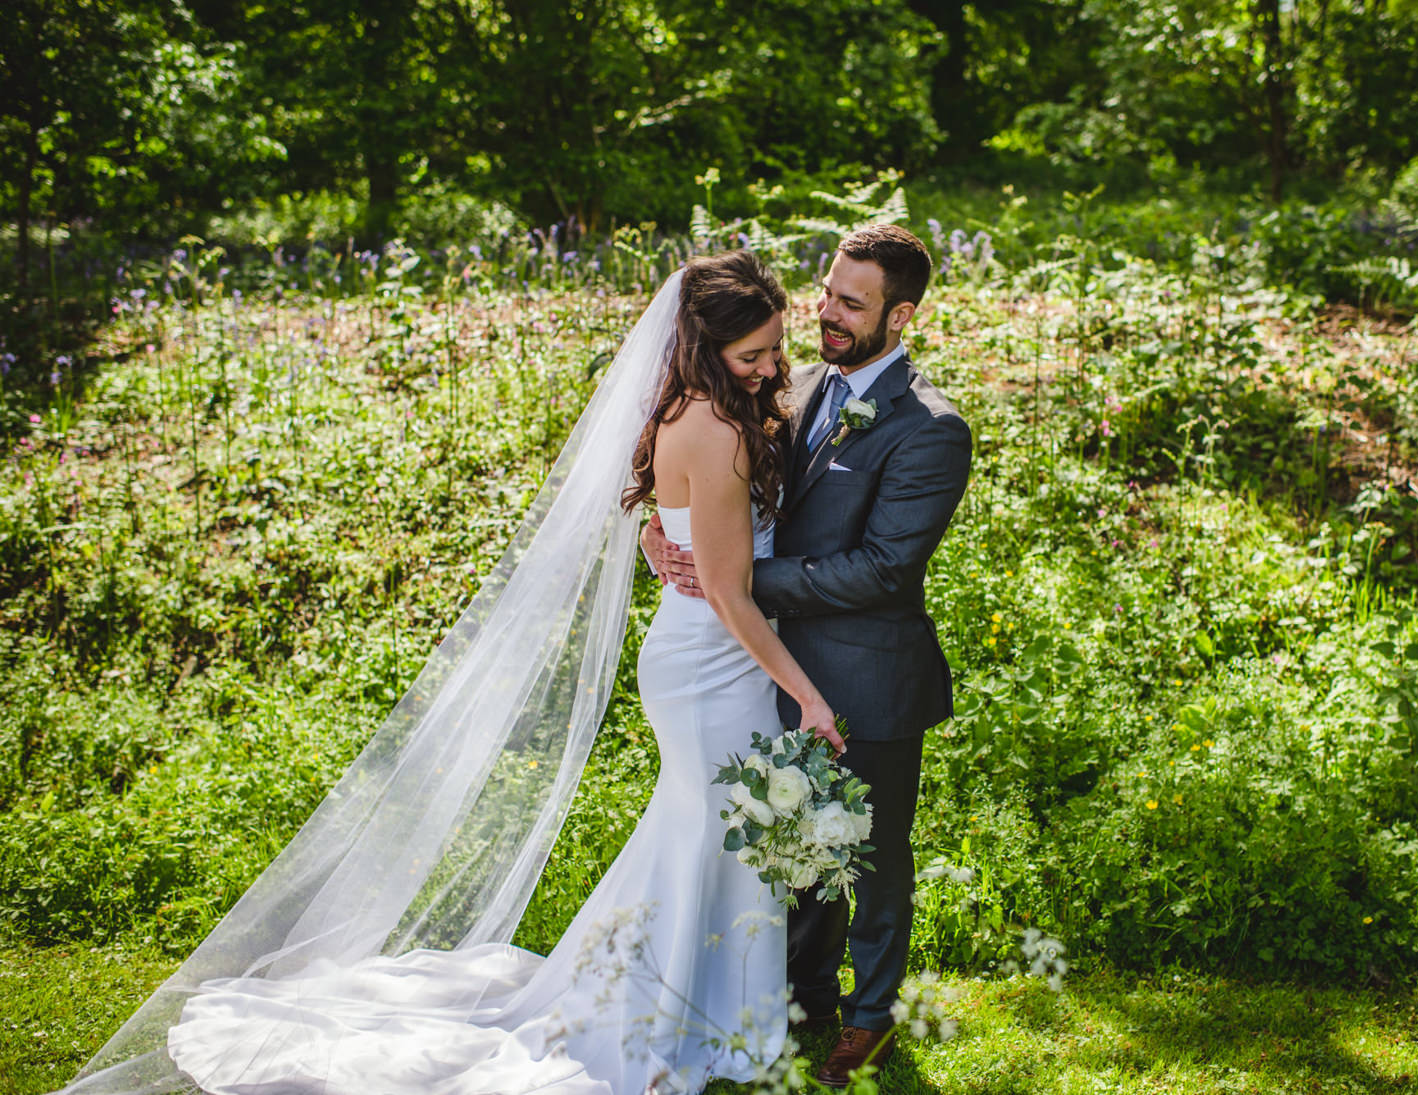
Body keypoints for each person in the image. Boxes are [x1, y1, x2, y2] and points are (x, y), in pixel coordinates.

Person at [59, 252, 838, 1095]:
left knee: (705, 834)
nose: (769, 370)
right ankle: (687, 1016)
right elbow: (727, 589)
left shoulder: (687, 406)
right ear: (701, 344)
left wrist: (661, 537)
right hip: (712, 660)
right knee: (709, 833)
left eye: (774, 350)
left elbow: (671, 518)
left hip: (704, 655)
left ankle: (707, 1008)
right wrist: (806, 692)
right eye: (751, 355)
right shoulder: (717, 430)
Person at [645, 223, 972, 1086]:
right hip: (768, 665)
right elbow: (708, 485)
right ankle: (804, 990)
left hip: (867, 671)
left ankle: (871, 1016)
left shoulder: (932, 429)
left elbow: (882, 567)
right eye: (827, 293)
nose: (826, 314)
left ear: (900, 316)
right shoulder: (803, 391)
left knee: (870, 849)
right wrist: (662, 537)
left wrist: (738, 577)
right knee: (798, 843)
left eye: (851, 304)